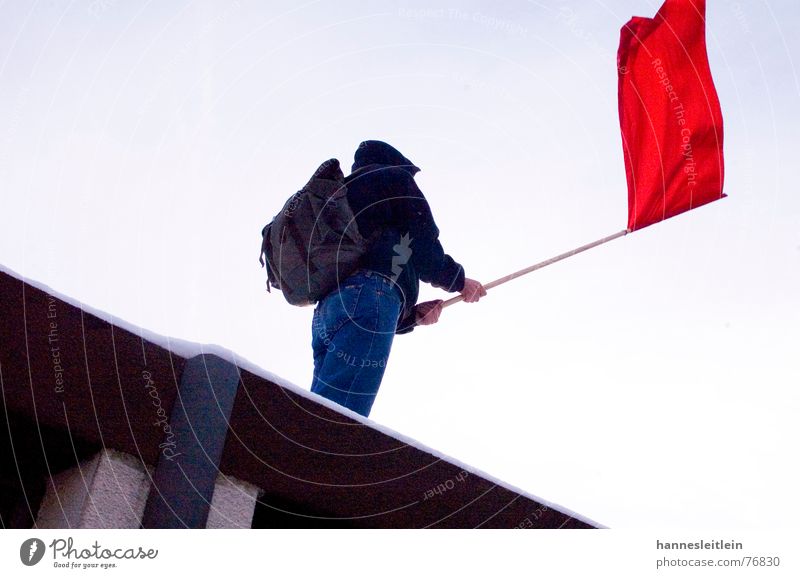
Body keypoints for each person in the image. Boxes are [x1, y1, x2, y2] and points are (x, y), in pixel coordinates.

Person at [310, 140, 486, 417]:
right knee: (339, 421)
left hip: (327, 313)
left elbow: (363, 292)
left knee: (320, 408)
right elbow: (424, 247)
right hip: (372, 297)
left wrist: (410, 317)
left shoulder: (343, 195)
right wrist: (460, 281)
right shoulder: (393, 178)